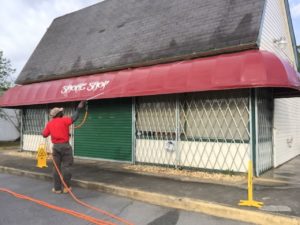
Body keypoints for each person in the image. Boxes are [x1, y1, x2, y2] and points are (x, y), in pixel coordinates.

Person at [42, 101, 86, 194]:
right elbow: (74, 117)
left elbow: (44, 135)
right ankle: (67, 188)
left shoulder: (50, 124)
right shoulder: (64, 120)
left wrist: (48, 131)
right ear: (59, 114)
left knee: (56, 168)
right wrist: (79, 108)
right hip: (65, 147)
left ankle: (57, 189)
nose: (63, 112)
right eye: (61, 112)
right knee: (66, 167)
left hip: (56, 148)